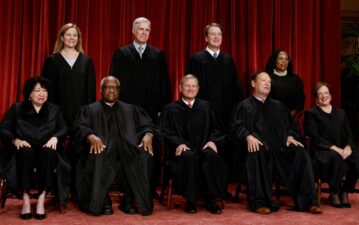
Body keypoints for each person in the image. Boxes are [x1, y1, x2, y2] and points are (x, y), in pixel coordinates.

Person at [231, 71, 321, 214]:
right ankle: (260, 202)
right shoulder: (243, 106)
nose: (268, 83)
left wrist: (290, 136)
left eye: (269, 82)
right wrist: (247, 136)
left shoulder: (279, 106)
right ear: (253, 83)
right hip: (260, 150)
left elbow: (292, 127)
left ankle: (308, 202)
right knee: (256, 151)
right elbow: (236, 127)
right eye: (263, 80)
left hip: (280, 149)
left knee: (300, 153)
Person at [72, 76, 157, 216]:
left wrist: (148, 134)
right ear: (100, 89)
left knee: (144, 155)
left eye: (115, 88)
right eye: (108, 87)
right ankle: (102, 201)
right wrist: (90, 135)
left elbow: (147, 124)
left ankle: (129, 200)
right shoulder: (89, 110)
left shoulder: (131, 109)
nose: (112, 90)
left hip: (128, 150)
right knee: (96, 155)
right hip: (103, 149)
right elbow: (79, 127)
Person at [0, 77, 69, 220]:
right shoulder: (17, 108)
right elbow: (4, 129)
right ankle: (25, 199)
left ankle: (41, 200)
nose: (41, 94)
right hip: (24, 148)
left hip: (46, 148)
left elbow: (64, 128)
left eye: (44, 90)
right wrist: (15, 140)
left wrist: (56, 137)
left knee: (49, 152)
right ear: (29, 94)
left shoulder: (54, 109)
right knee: (25, 152)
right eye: (37, 90)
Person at [186, 22, 244, 190]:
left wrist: (237, 112)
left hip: (225, 112)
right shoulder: (197, 59)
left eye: (219, 34)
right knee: (203, 147)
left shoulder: (228, 61)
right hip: (203, 113)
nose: (217, 37)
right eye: (213, 34)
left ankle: (220, 188)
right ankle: (201, 188)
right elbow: (189, 88)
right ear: (206, 37)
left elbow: (236, 88)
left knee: (222, 148)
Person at [159, 75, 228, 214]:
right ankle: (191, 200)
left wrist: (212, 140)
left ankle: (211, 199)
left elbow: (218, 128)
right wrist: (178, 143)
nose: (190, 88)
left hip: (203, 146)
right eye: (187, 85)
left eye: (194, 86)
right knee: (189, 157)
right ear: (180, 88)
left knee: (211, 157)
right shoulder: (170, 109)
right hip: (182, 149)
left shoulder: (206, 107)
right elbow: (164, 131)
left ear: (198, 88)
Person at [303, 81, 359, 208]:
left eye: (326, 93)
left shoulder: (341, 113)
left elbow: (349, 134)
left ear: (331, 96)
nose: (324, 96)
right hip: (322, 151)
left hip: (343, 149)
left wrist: (348, 147)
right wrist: (335, 148)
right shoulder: (311, 113)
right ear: (316, 98)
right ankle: (334, 192)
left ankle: (345, 191)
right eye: (320, 94)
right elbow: (314, 136)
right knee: (337, 158)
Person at [109, 17, 171, 123]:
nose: (144, 33)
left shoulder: (157, 55)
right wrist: (113, 103)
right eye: (141, 29)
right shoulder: (122, 53)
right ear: (133, 31)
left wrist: (163, 108)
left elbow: (164, 84)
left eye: (147, 30)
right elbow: (113, 81)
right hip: (127, 107)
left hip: (151, 108)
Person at [41, 23, 96, 128]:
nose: (72, 38)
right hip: (58, 112)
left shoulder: (86, 61)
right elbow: (46, 89)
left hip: (81, 113)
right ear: (62, 37)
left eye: (75, 35)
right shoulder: (52, 60)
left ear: (78, 39)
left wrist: (88, 114)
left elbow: (90, 91)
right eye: (68, 35)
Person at [265, 49, 305, 116]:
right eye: (280, 59)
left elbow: (300, 99)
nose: (284, 62)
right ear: (275, 60)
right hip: (271, 116)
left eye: (286, 59)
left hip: (291, 117)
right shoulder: (267, 77)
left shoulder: (296, 79)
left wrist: (292, 113)